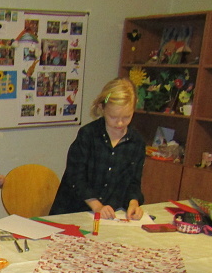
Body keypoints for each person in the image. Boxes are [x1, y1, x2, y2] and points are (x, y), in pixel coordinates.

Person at [49, 78, 145, 220]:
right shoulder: (88, 135)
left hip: (111, 214)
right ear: (102, 108)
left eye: (126, 117)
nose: (120, 123)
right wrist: (97, 206)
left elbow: (133, 182)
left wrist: (133, 203)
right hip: (75, 210)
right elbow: (75, 177)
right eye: (113, 117)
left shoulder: (136, 142)